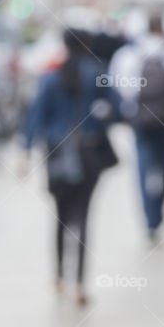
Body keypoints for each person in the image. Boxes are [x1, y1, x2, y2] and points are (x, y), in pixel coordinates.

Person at [22, 29, 119, 305]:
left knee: (61, 217)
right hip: (89, 152)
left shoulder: (50, 78)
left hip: (56, 154)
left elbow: (36, 115)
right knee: (84, 217)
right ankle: (79, 284)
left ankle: (59, 276)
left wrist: (25, 150)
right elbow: (116, 110)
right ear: (86, 44)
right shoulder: (98, 73)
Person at [109, 13, 164, 241]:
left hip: (140, 121)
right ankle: (158, 215)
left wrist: (126, 111)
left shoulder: (129, 54)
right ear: (162, 28)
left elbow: (116, 85)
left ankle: (148, 217)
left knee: (142, 166)